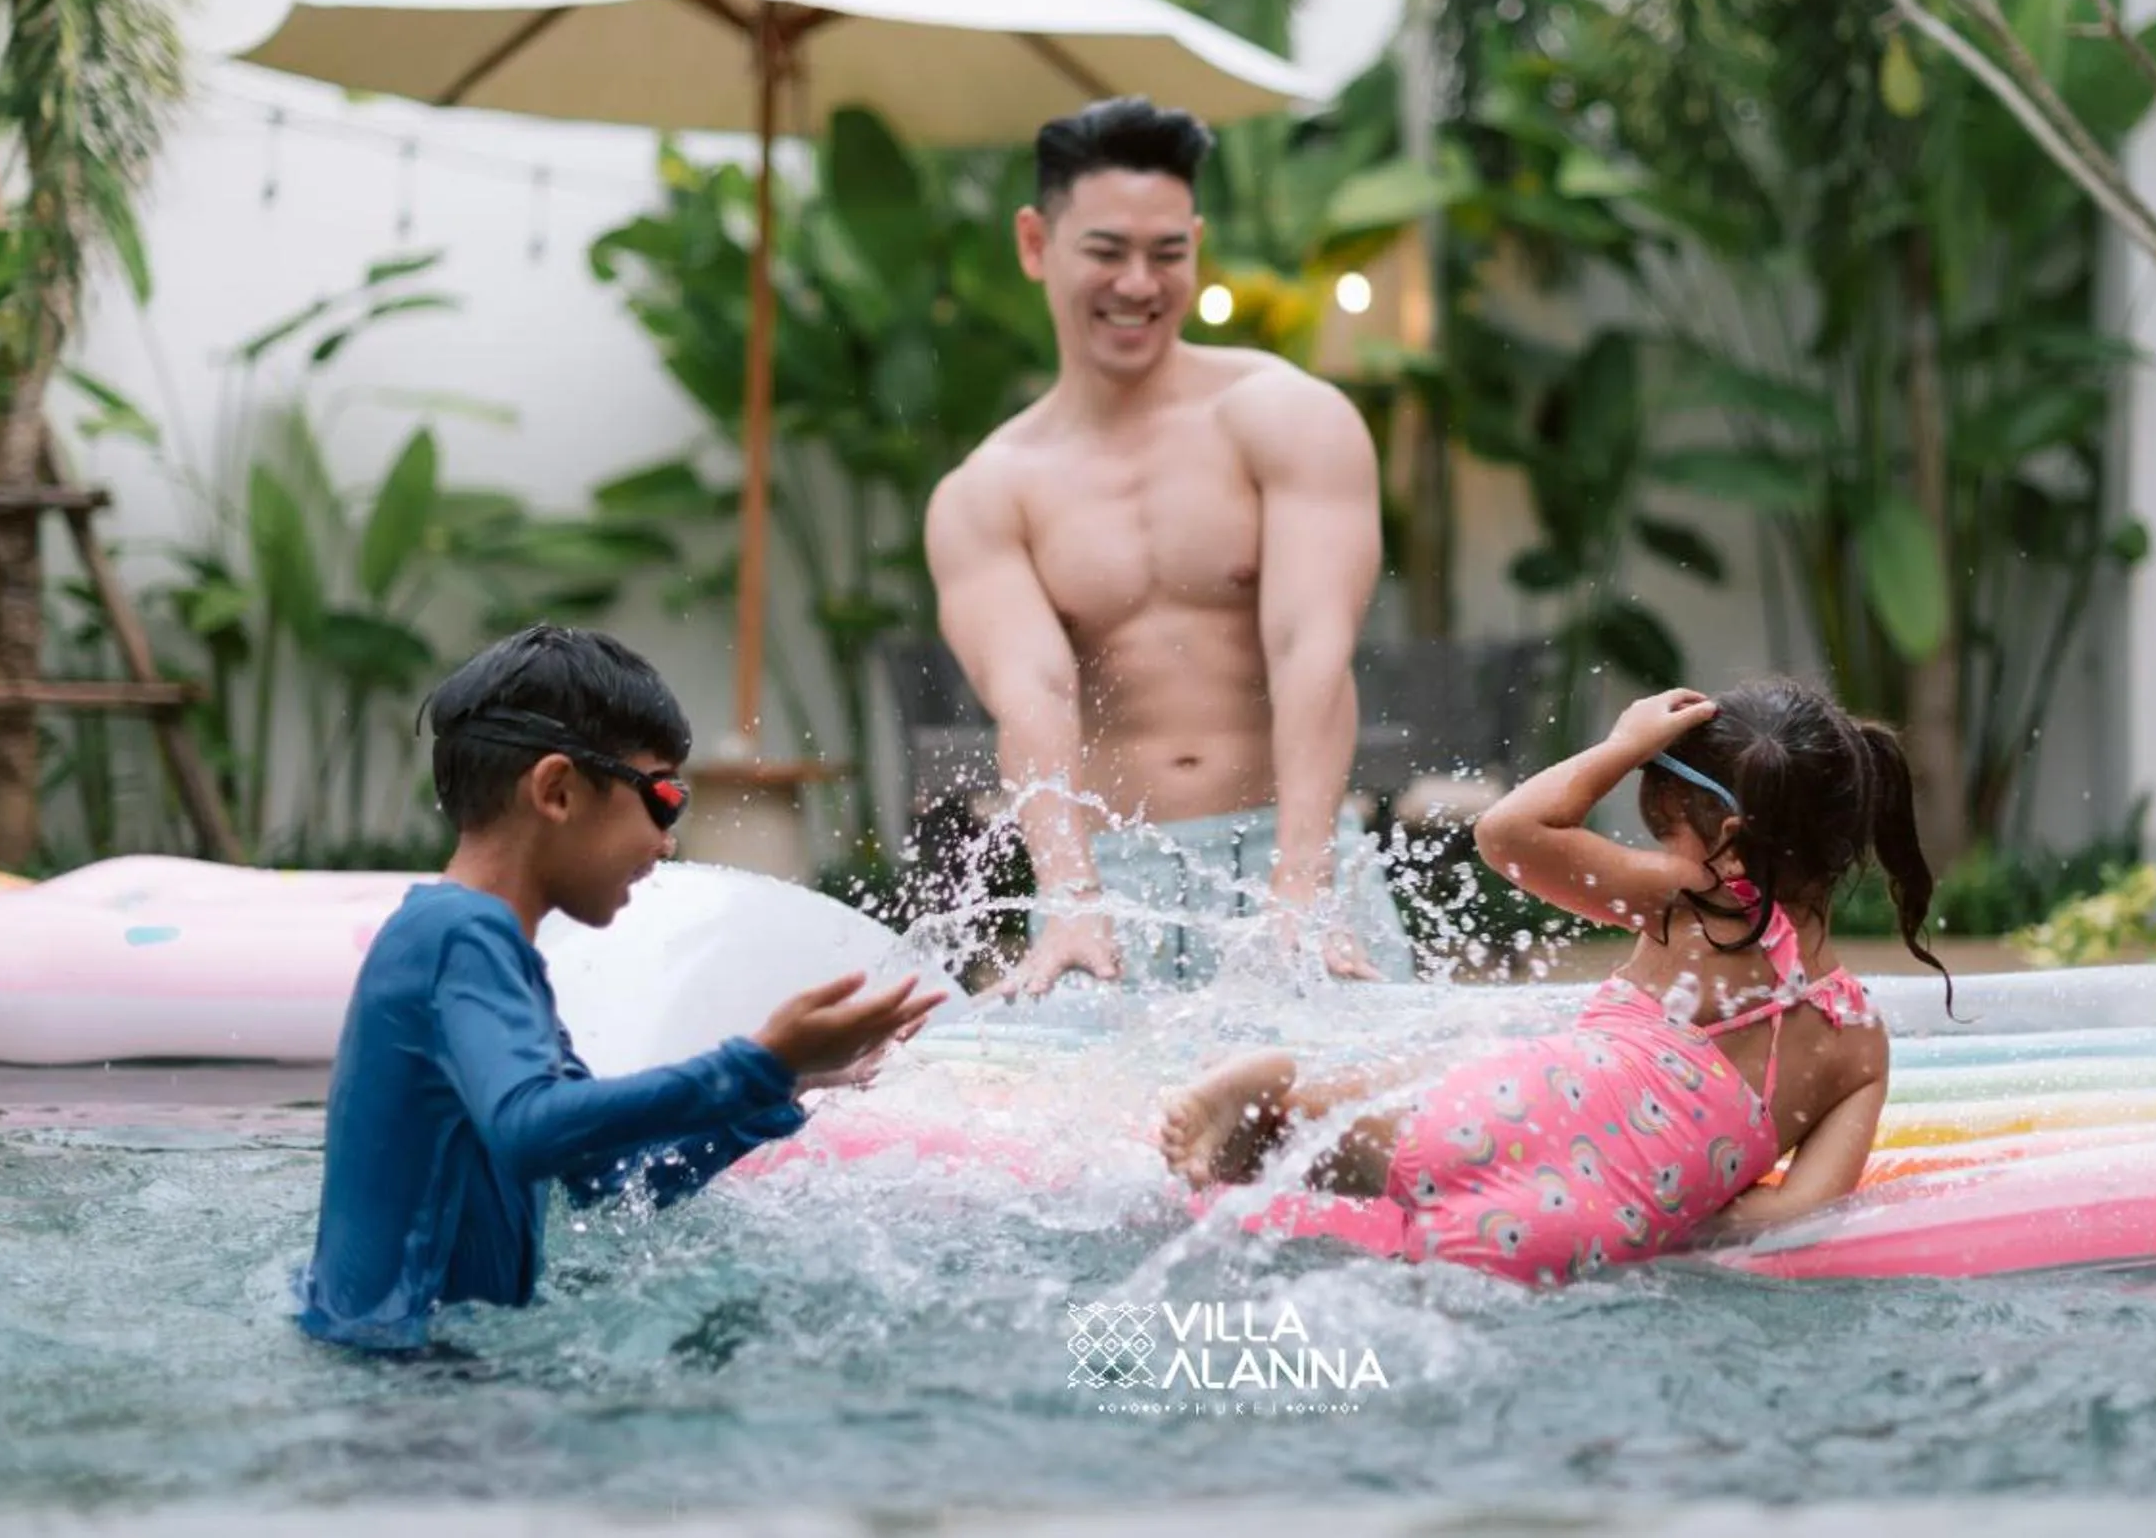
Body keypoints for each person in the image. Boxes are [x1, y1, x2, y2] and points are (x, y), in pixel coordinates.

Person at [1154, 678, 1948, 1286]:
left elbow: (1503, 835)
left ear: (1728, 846)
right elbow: (1801, 1213)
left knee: (1309, 1144)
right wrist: (1672, 1202)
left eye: (1665, 824)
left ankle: (1279, 1093)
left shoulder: (1684, 905)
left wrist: (1623, 744)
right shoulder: (1858, 1046)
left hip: (1511, 1108)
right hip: (1595, 1224)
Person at [296, 626, 943, 1351]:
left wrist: (786, 1087)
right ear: (558, 791)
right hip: (406, 1390)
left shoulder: (472, 945)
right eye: (664, 797)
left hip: (420, 1362)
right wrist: (757, 1061)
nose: (668, 840)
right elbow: (529, 1129)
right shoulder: (461, 936)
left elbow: (608, 1177)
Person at [926, 95, 1407, 995]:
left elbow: (1312, 649)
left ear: (1196, 242)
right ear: (1036, 244)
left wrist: (1301, 888)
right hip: (1110, 883)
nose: (1138, 285)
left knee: (1359, 1133)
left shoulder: (1289, 418)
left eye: (1167, 253)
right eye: (1106, 253)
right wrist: (1069, 894)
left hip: (1293, 857)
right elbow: (1033, 695)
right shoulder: (988, 492)